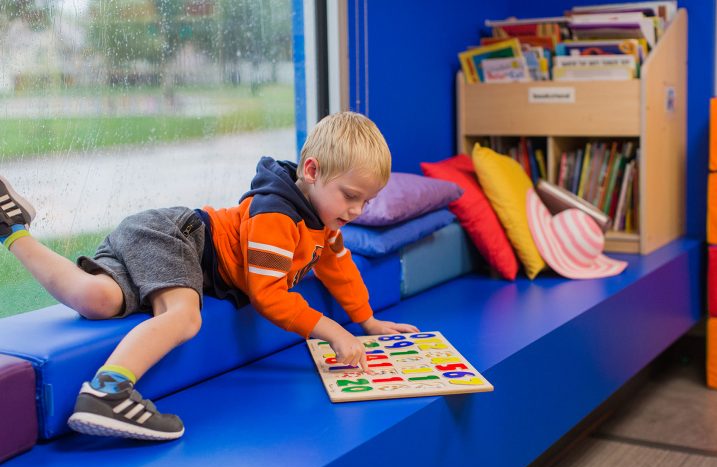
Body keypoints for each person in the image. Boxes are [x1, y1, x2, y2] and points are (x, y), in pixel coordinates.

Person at [0, 111, 417, 441]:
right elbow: (268, 294)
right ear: (311, 170)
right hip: (177, 236)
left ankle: (12, 230)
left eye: (367, 201)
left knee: (97, 300)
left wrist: (366, 320)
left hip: (165, 249)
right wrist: (333, 330)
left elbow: (338, 266)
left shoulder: (324, 226)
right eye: (351, 196)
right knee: (184, 317)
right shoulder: (277, 216)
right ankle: (108, 391)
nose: (358, 211)